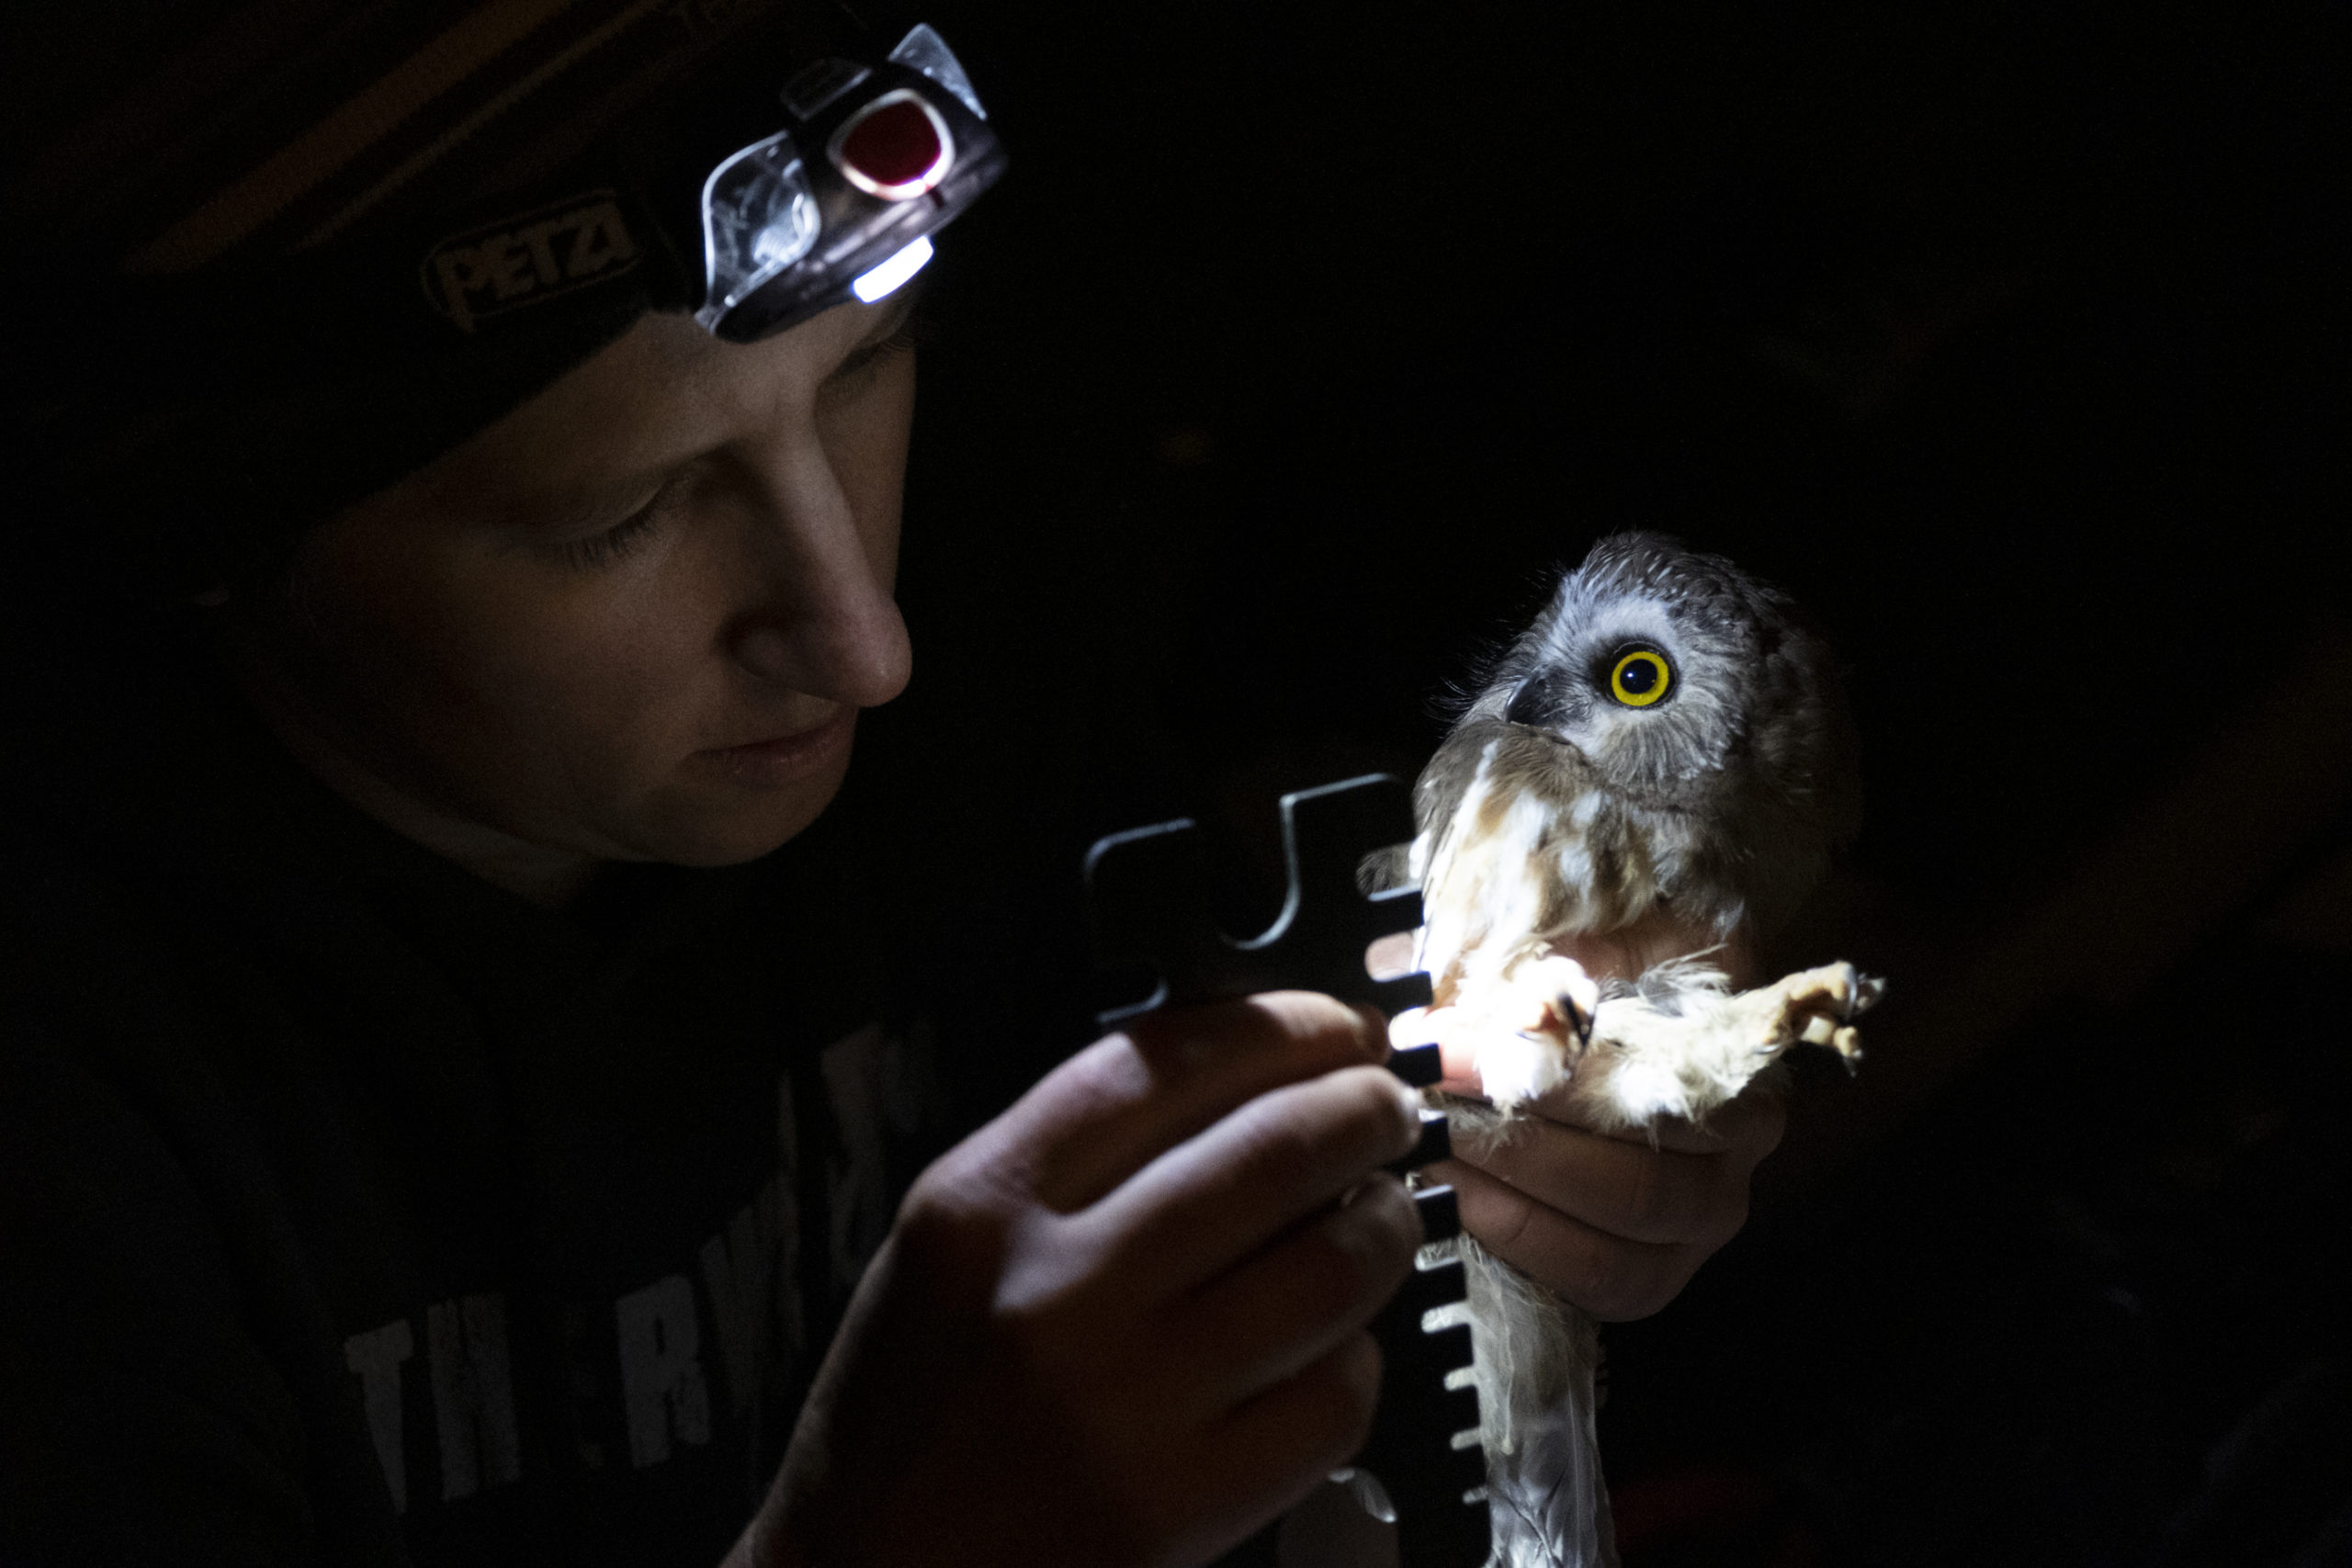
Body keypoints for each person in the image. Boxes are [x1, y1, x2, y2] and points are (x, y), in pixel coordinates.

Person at [0, 4, 1783, 1564]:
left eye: (864, 370)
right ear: (215, 547)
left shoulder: (1006, 648)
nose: (860, 640)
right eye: (618, 517)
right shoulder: (84, 1148)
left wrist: (1518, 1193)